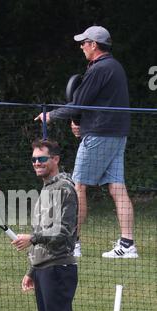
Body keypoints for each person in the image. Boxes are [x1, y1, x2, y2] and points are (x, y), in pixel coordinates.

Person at [35, 26, 138, 259]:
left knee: (77, 186)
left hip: (100, 134)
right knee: (117, 187)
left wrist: (51, 115)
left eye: (84, 42)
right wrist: (80, 122)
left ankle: (72, 243)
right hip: (116, 133)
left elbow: (79, 102)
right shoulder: (114, 67)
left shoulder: (100, 68)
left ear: (94, 44)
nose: (81, 46)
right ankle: (127, 244)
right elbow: (96, 103)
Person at [12, 138, 88, 311]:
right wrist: (32, 270)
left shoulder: (65, 188)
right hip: (44, 268)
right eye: (34, 159)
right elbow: (43, 231)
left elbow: (64, 232)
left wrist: (31, 239)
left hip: (59, 268)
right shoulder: (46, 189)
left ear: (55, 159)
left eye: (41, 159)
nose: (36, 163)